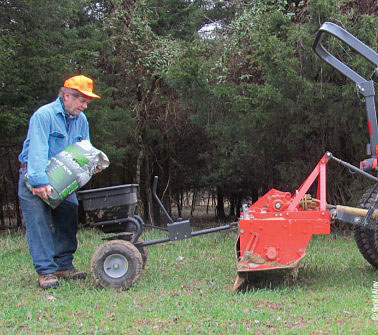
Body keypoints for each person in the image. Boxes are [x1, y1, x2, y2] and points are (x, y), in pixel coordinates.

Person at [18, 75, 101, 289]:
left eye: (87, 102)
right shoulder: (44, 116)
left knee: (70, 211)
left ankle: (64, 265)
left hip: (62, 177)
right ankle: (46, 271)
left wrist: (93, 164)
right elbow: (37, 150)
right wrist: (38, 182)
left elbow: (84, 150)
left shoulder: (81, 120)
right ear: (66, 96)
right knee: (39, 222)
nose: (85, 106)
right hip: (34, 175)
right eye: (82, 101)